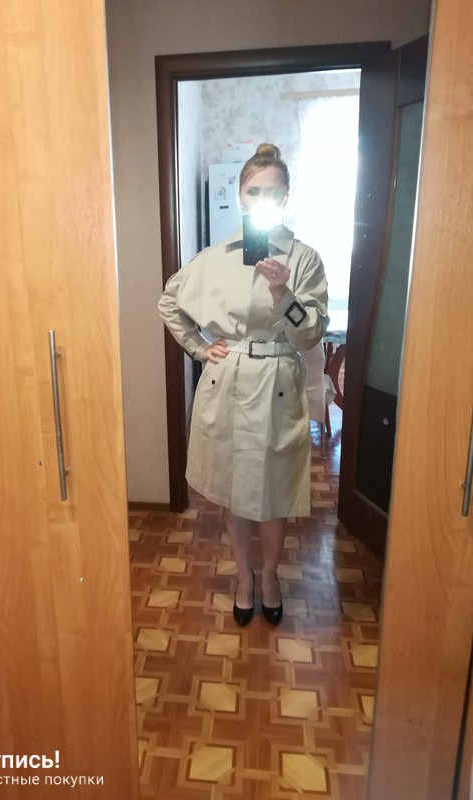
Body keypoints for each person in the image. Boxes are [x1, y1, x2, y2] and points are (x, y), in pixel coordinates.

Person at [158, 143, 329, 626]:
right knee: (234, 491)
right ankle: (244, 578)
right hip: (228, 381)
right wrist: (198, 348)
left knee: (273, 493)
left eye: (272, 192)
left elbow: (310, 335)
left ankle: (269, 576)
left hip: (278, 383)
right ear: (240, 195)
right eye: (254, 191)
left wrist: (282, 292)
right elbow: (169, 302)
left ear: (285, 197)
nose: (262, 199)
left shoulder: (304, 258)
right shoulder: (214, 258)